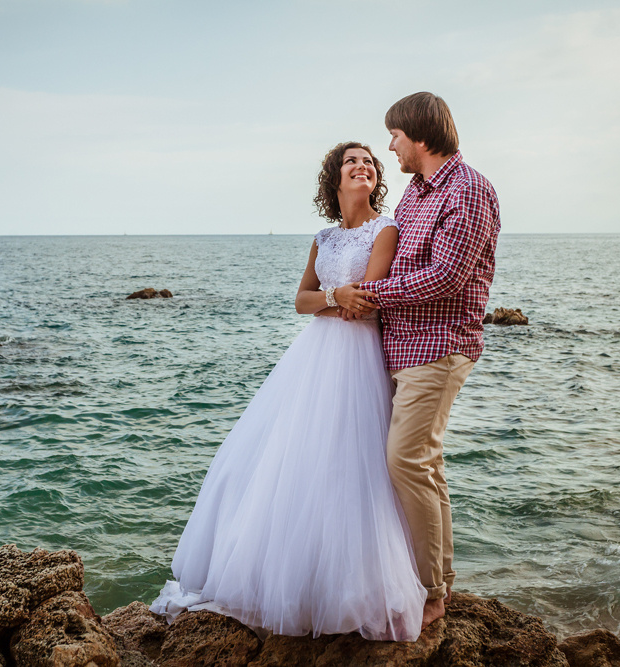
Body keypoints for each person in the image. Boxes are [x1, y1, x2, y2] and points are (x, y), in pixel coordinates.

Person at [149, 142, 427, 640]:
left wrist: (336, 299)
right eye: (351, 161)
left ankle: (352, 589)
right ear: (335, 178)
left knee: (351, 463)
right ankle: (291, 583)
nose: (362, 166)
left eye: (369, 161)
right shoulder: (323, 238)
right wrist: (334, 296)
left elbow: (366, 300)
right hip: (314, 357)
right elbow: (301, 300)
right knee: (296, 459)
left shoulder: (386, 229)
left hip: (359, 357)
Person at [340, 92, 501, 628]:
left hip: (439, 346)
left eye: (395, 136)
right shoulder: (415, 193)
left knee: (405, 461)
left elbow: (445, 277)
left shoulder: (468, 189)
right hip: (402, 347)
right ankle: (440, 579)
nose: (391, 147)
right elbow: (399, 263)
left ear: (420, 135)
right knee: (425, 464)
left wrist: (369, 295)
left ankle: (430, 593)